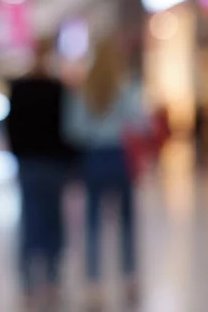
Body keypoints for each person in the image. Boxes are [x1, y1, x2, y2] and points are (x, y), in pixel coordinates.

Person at [63, 37, 145, 309]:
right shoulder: (126, 87)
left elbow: (74, 130)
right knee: (126, 222)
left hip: (95, 158)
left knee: (93, 223)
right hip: (119, 156)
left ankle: (93, 283)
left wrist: (96, 131)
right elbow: (140, 122)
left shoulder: (84, 91)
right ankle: (129, 277)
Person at [5, 38, 74, 308]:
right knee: (49, 220)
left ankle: (32, 280)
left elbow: (11, 127)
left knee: (33, 219)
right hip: (48, 163)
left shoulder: (26, 89)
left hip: (35, 162)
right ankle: (48, 278)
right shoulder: (55, 89)